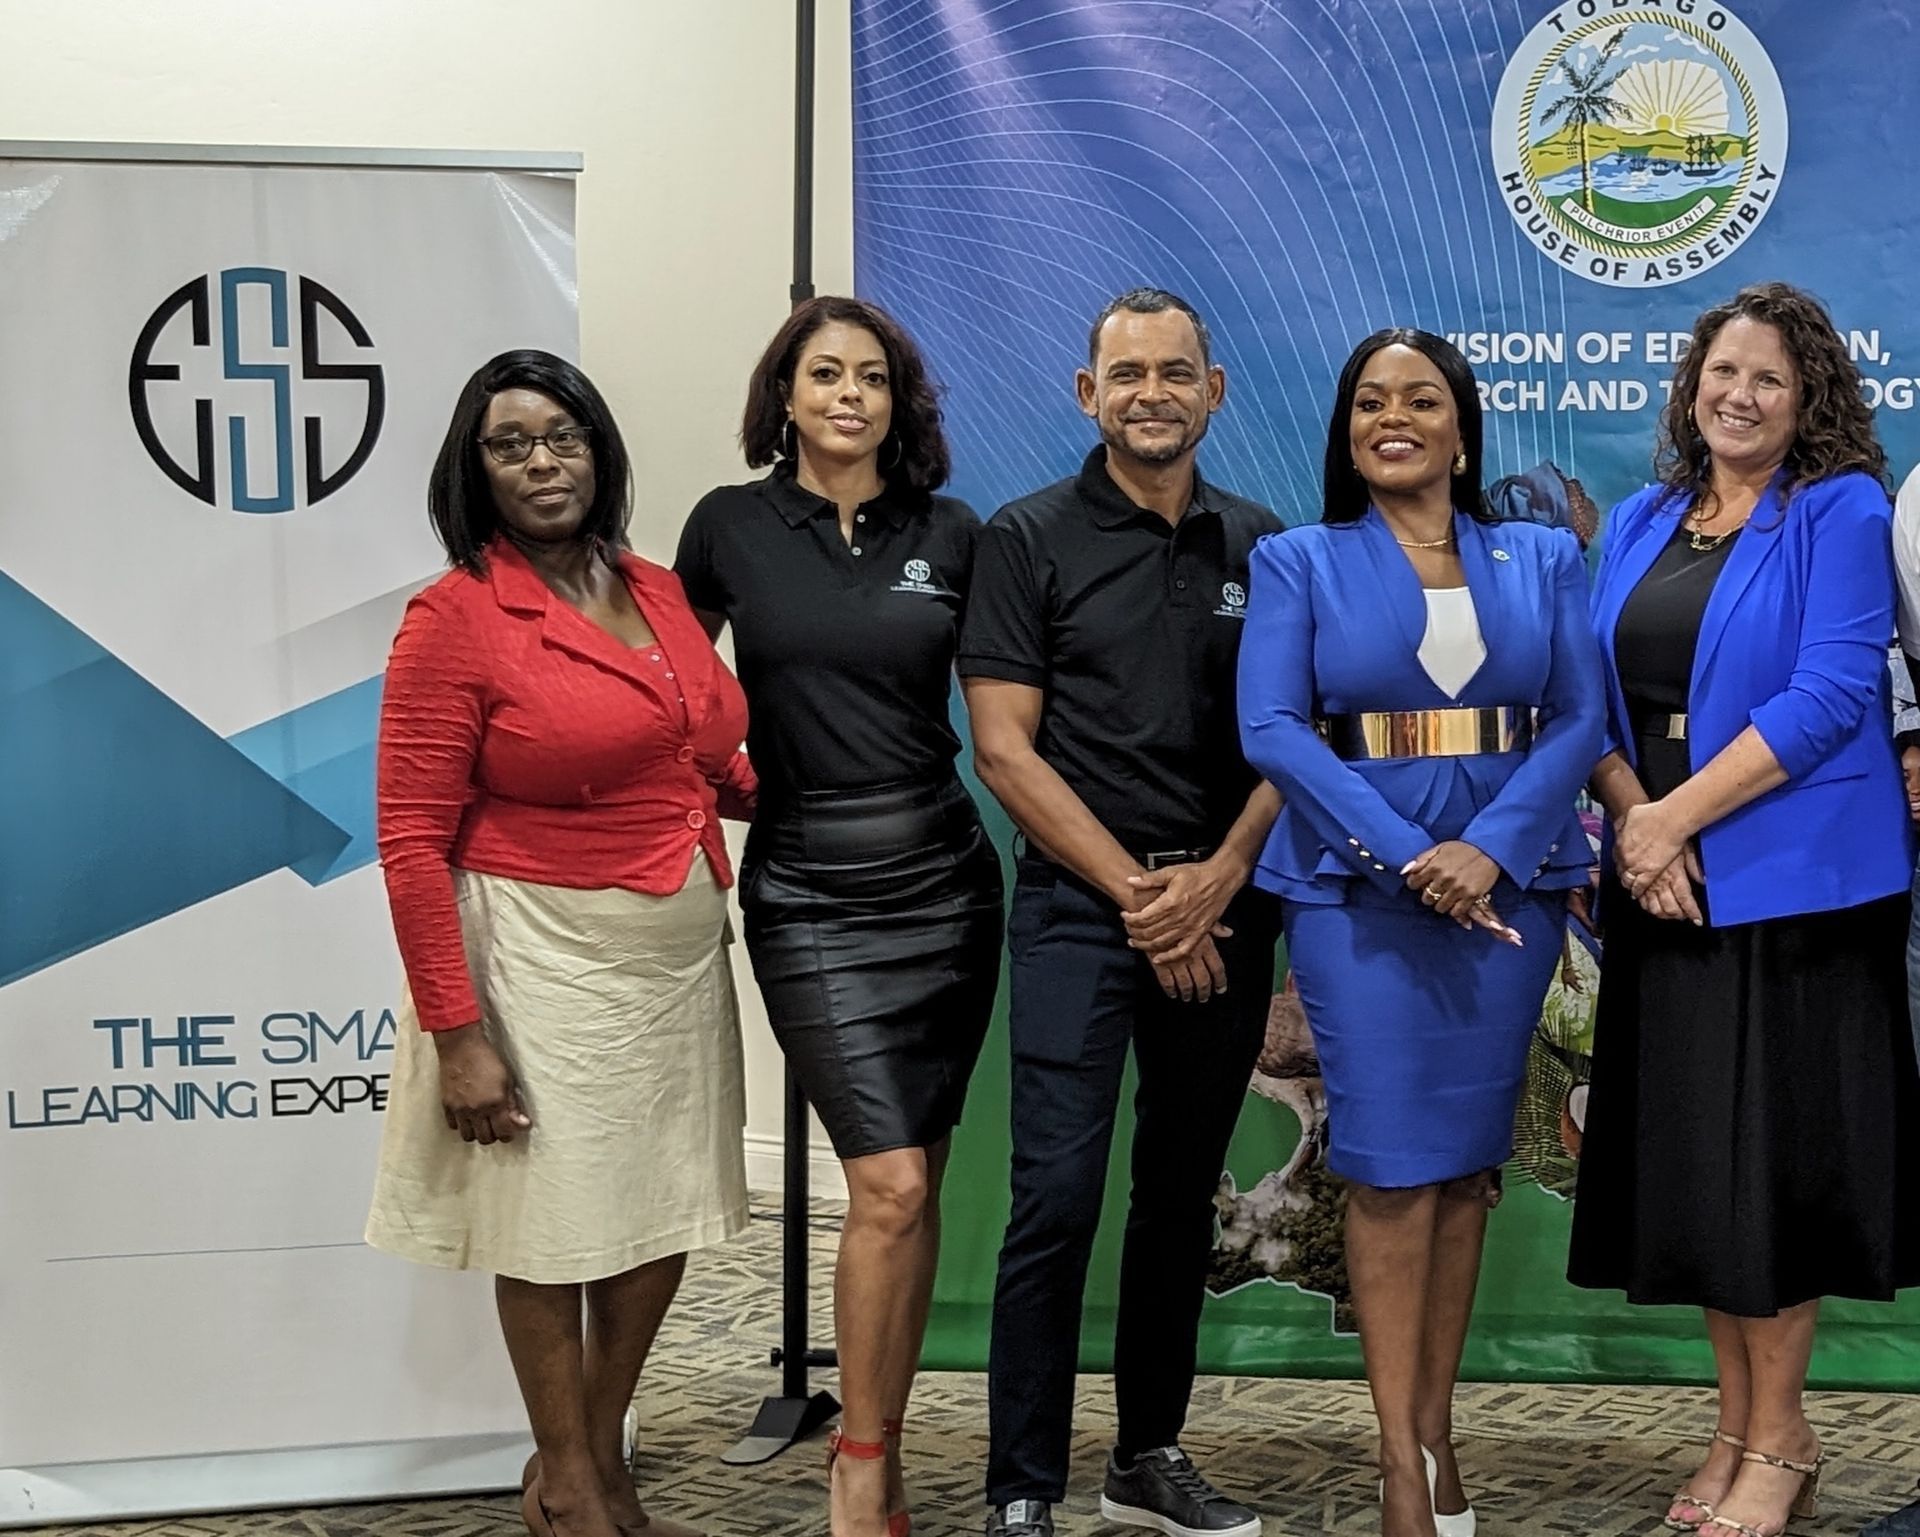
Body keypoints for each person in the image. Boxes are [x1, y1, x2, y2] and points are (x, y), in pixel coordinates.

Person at [365, 350, 754, 1537]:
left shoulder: (653, 587)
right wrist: (458, 1032)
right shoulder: (457, 617)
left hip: (677, 952)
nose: (543, 461)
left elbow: (703, 751)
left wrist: (837, 797)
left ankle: (593, 1449)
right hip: (536, 949)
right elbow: (409, 836)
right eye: (511, 443)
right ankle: (573, 1471)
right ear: (473, 470)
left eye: (564, 436)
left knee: (663, 1208)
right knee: (553, 1218)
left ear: (600, 448)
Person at [1236, 328, 1605, 1537]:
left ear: (1462, 425)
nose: (1394, 417)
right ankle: (1398, 1462)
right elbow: (1277, 732)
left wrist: (1486, 851)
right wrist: (1409, 856)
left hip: (1510, 895)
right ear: (1346, 429)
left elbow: (1576, 719)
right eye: (1371, 402)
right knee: (1393, 1172)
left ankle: (1439, 1438)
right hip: (1360, 903)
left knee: (1465, 1173)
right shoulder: (1302, 558)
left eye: (1422, 399)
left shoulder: (1544, 554)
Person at [1569, 282, 1920, 1537]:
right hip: (1665, 886)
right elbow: (1587, 697)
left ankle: (1783, 1436)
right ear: (1692, 383)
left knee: (1771, 1176)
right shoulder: (1643, 515)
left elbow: (1831, 695)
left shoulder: (1839, 508)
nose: (1741, 394)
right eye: (1724, 371)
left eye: (1771, 377)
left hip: (1795, 891)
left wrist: (1674, 819)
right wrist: (1630, 816)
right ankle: (1733, 1426)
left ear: (1810, 393)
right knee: (1703, 1185)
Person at [674, 295, 1003, 1537]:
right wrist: (748, 793)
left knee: (915, 1181)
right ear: (787, 396)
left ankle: (880, 1431)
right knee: (886, 1185)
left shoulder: (953, 533)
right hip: (809, 893)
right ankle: (859, 1463)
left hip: (946, 883)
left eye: (872, 376)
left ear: (899, 400)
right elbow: (663, 690)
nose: (848, 394)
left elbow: (1009, 710)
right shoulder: (729, 527)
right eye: (825, 374)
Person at [959, 288, 1284, 1537]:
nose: (1154, 391)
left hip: (1225, 909)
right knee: (1053, 1198)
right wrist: (1144, 896)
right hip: (1081, 912)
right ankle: (1023, 1485)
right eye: (1127, 373)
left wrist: (1211, 882)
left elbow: (1289, 745)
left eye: (1177, 371)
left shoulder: (1265, 545)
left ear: (1215, 391)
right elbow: (1005, 751)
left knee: (1179, 1193)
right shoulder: (1024, 537)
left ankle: (1145, 1456)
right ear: (1088, 395)